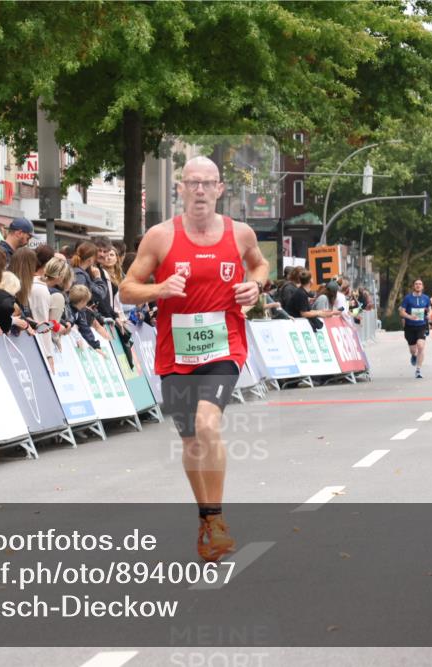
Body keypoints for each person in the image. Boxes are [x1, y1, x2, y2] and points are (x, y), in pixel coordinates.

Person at [119, 156, 269, 562]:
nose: (200, 190)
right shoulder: (160, 237)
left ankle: (217, 519)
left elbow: (259, 265)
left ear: (220, 189)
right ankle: (206, 518)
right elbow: (126, 290)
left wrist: (255, 287)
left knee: (207, 424)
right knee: (190, 440)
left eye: (208, 183)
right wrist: (160, 289)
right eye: (192, 183)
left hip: (225, 345)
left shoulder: (240, 233)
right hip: (175, 352)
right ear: (180, 189)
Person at [399, 278, 431, 379]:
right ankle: (413, 355)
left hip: (421, 325)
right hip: (409, 326)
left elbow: (429, 310)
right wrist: (409, 317)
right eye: (416, 284)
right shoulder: (407, 298)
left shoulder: (426, 298)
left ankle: (418, 370)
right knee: (413, 350)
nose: (418, 285)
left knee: (421, 346)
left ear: (422, 286)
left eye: (420, 284)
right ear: (414, 286)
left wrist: (429, 315)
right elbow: (401, 312)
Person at [69, 284, 105, 352]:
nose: (86, 305)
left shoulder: (79, 312)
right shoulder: (67, 310)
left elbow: (85, 328)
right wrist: (77, 338)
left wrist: (95, 345)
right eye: (86, 302)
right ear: (82, 301)